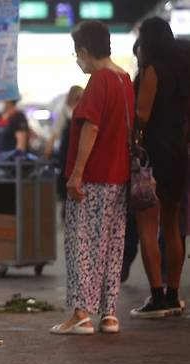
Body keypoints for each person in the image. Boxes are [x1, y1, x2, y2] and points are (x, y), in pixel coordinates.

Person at [50, 21, 133, 335]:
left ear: (84, 51)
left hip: (93, 177)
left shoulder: (99, 80)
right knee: (111, 245)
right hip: (119, 178)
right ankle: (109, 314)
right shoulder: (125, 79)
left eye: (76, 53)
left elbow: (92, 127)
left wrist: (77, 174)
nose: (77, 59)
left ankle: (81, 314)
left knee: (81, 244)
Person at [130, 18, 190, 318]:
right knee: (173, 225)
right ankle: (174, 294)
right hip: (178, 152)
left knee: (147, 226)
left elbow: (141, 115)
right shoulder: (182, 71)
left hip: (153, 155)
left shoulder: (152, 70)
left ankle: (156, 297)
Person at [45, 86, 84, 201]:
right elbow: (54, 134)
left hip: (70, 156)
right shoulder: (64, 112)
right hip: (67, 157)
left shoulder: (72, 111)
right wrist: (47, 154)